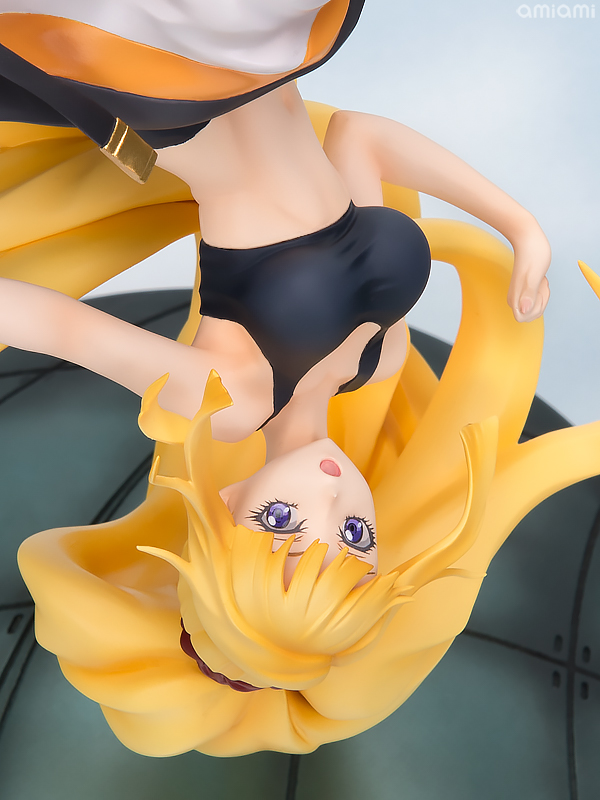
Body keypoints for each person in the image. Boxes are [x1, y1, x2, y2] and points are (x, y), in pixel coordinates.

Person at [1, 1, 598, 757]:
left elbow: (59, 327)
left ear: (226, 508)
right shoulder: (378, 360)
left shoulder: (228, 401)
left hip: (168, 83)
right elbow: (358, 138)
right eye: (354, 536)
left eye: (282, 523)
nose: (330, 497)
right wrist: (520, 226)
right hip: (270, 59)